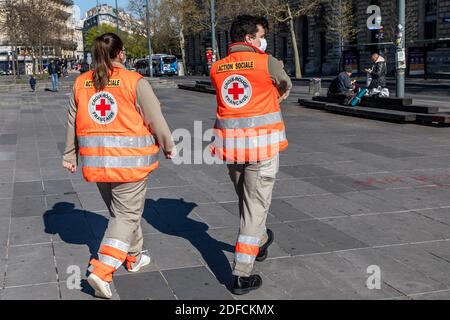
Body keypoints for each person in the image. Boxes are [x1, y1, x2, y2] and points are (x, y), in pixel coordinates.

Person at [62, 33, 176, 299]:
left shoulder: (81, 83)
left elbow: (71, 121)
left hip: (96, 163)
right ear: (121, 53)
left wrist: (70, 155)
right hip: (130, 164)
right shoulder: (133, 81)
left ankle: (134, 257)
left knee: (123, 212)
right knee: (124, 216)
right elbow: (154, 118)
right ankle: (102, 270)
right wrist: (168, 145)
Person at [209, 15, 291, 295]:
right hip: (261, 147)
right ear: (248, 39)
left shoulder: (217, 68)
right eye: (259, 36)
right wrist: (271, 96)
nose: (261, 40)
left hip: (231, 148)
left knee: (249, 202)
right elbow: (285, 85)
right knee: (254, 207)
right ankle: (242, 273)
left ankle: (262, 238)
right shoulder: (266, 62)